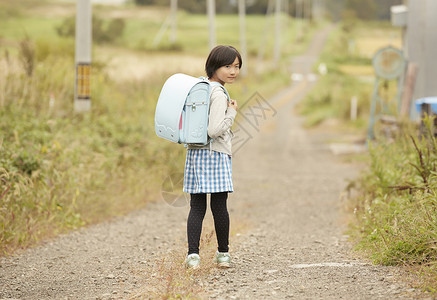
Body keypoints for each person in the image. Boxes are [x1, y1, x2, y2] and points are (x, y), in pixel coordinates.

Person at [183, 45, 241, 269]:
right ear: (214, 66)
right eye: (227, 66)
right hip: (215, 154)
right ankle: (223, 254)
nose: (233, 71)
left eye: (236, 66)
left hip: (196, 153)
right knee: (219, 206)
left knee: (197, 207)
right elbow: (215, 129)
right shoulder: (218, 93)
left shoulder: (201, 87)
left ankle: (193, 256)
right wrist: (232, 113)